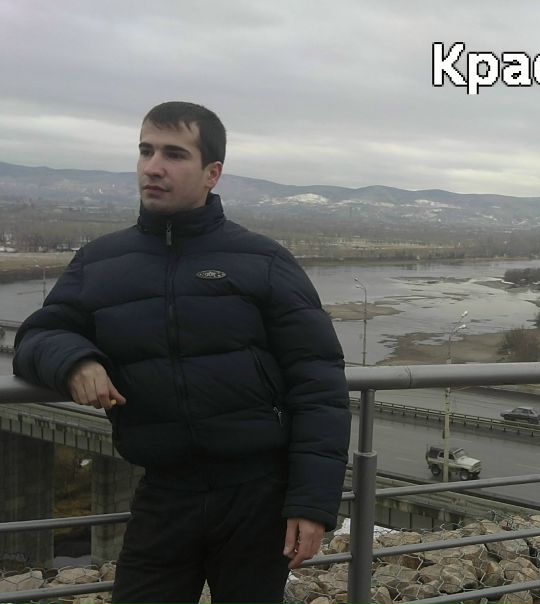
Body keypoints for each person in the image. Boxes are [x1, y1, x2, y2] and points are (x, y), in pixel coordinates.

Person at [13, 101, 351, 603]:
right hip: (164, 493)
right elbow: (37, 336)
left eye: (173, 154)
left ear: (212, 173)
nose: (153, 167)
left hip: (258, 497)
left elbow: (318, 383)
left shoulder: (263, 260)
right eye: (146, 151)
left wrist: (311, 502)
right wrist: (76, 361)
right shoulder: (100, 262)